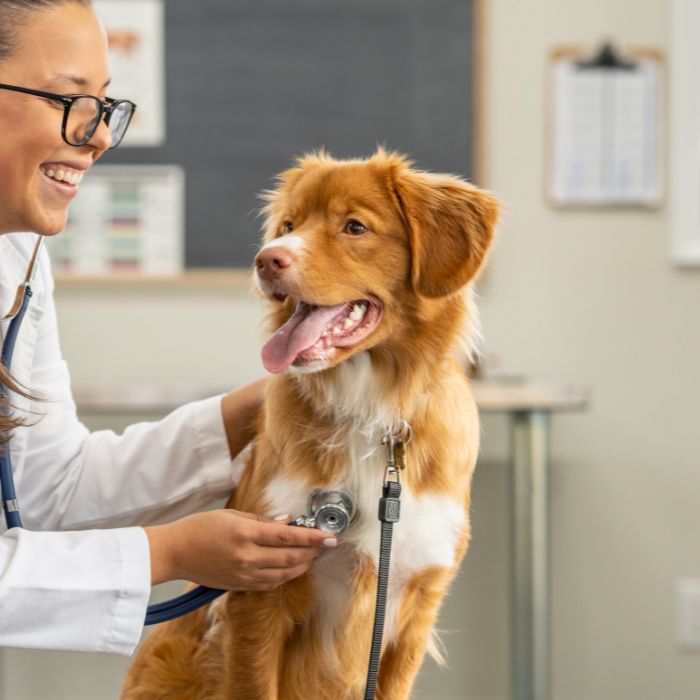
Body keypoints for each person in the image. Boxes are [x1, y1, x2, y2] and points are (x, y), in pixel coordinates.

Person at [0, 0, 335, 655]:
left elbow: (49, 489)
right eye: (69, 99)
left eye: (105, 106)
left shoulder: (18, 257)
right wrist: (169, 551)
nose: (97, 136)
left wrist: (256, 410)